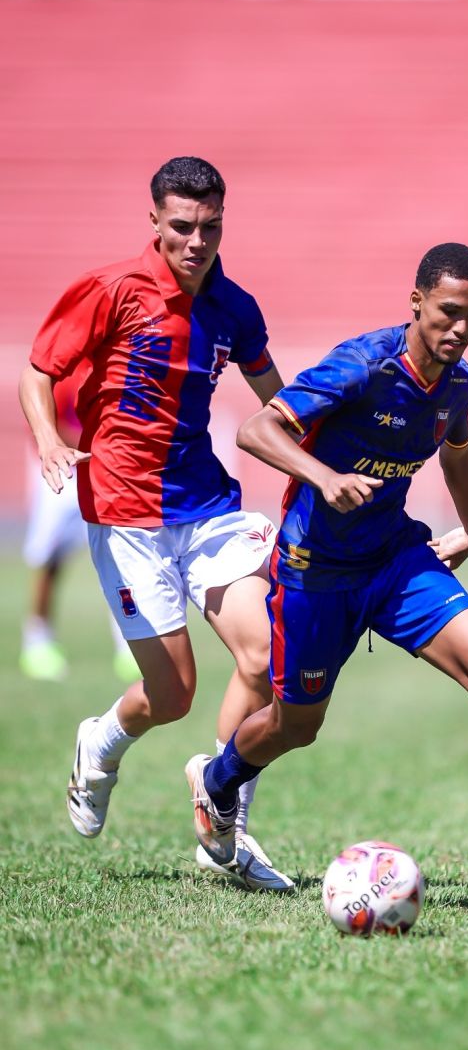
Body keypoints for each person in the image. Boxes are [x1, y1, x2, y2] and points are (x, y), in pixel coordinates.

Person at [185, 242, 468, 903]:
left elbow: (457, 448)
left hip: (394, 559)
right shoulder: (362, 366)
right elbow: (256, 430)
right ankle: (216, 783)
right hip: (314, 572)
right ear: (415, 302)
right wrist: (324, 478)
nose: (459, 329)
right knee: (297, 726)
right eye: (447, 312)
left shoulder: (457, 382)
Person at [19, 155, 293, 892]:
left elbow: (281, 404)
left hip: (205, 507)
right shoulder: (112, 289)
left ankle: (222, 818)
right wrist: (49, 441)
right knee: (171, 696)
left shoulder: (234, 308)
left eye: (209, 227)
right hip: (125, 509)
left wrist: (327, 463)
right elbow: (38, 370)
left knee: (267, 659)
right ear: (154, 222)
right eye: (180, 227)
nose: (195, 241)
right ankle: (99, 745)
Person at [20, 364, 141, 684]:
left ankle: (129, 645)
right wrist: (92, 447)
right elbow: (50, 423)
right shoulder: (66, 368)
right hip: (66, 474)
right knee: (50, 559)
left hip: (108, 473)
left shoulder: (120, 363)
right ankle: (37, 641)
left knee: (122, 557)